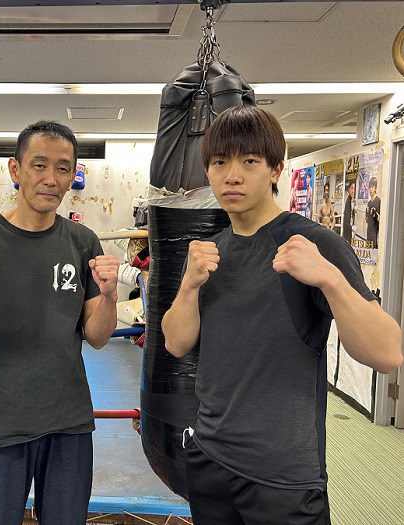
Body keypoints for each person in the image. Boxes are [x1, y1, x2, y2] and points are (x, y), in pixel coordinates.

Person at [161, 105, 402, 525]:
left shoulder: (313, 244)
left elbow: (387, 354)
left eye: (249, 161)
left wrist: (330, 279)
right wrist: (188, 285)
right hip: (209, 459)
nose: (232, 176)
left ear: (276, 169)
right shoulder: (209, 250)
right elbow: (175, 343)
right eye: (220, 162)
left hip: (282, 475)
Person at [0, 121, 119, 525]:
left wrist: (109, 295)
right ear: (15, 169)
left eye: (63, 168)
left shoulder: (83, 242)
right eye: (39, 165)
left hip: (68, 423)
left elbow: (98, 336)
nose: (51, 179)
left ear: (72, 176)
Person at [365, 176, 381, 249]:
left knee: (374, 252)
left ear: (375, 188)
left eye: (372, 187)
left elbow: (380, 219)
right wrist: (367, 213)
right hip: (368, 233)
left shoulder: (378, 201)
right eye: (370, 187)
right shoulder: (369, 203)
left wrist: (376, 214)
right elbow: (367, 220)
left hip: (375, 234)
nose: (371, 190)